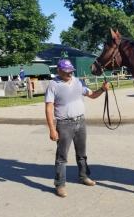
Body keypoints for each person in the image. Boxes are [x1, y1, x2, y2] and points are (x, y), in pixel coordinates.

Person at [45, 59, 109, 198]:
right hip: (64, 124)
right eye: (67, 71)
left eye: (71, 71)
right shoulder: (53, 85)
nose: (70, 74)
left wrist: (102, 89)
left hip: (80, 122)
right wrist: (52, 129)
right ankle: (60, 184)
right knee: (62, 157)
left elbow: (92, 95)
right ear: (59, 70)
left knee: (82, 154)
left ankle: (84, 176)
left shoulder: (78, 82)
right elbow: (49, 107)